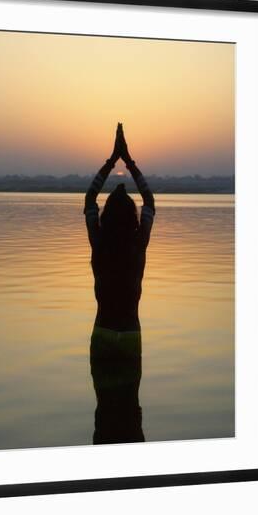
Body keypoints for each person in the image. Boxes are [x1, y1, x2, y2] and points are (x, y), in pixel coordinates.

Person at [85, 123, 155, 444]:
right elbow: (151, 203)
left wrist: (112, 159)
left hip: (102, 334)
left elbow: (88, 200)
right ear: (132, 218)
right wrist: (129, 161)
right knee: (131, 412)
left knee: (104, 413)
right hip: (129, 334)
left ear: (107, 216)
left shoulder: (98, 243)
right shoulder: (138, 244)